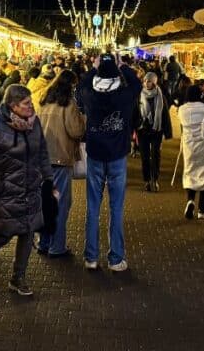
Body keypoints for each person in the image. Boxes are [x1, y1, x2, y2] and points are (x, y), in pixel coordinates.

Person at [0, 85, 55, 296]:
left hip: (30, 187)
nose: (31, 107)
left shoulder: (34, 123)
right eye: (26, 104)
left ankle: (18, 278)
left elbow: (43, 152)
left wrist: (48, 180)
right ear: (12, 106)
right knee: (4, 233)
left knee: (28, 231)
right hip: (6, 188)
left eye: (31, 102)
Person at [79, 54, 140, 272]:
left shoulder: (89, 95)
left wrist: (93, 69)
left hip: (95, 154)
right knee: (116, 208)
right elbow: (136, 83)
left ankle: (91, 257)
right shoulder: (124, 96)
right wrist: (123, 67)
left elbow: (81, 86)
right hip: (117, 156)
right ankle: (115, 258)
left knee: (92, 207)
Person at [38, 70, 86, 257]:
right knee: (61, 204)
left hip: (42, 159)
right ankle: (57, 247)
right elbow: (76, 131)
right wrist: (82, 120)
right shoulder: (68, 104)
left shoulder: (43, 102)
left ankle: (43, 242)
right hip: (60, 158)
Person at [178, 84, 204, 219]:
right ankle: (203, 209)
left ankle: (190, 200)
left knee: (190, 172)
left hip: (189, 145)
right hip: (203, 145)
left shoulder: (182, 109)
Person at [136, 71, 171, 192]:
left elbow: (165, 113)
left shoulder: (160, 95)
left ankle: (155, 179)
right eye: (145, 80)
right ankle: (146, 180)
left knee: (156, 155)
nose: (146, 83)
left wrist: (167, 132)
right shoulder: (139, 94)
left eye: (149, 81)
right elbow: (134, 112)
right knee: (145, 157)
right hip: (143, 130)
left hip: (156, 129)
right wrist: (133, 128)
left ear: (154, 82)